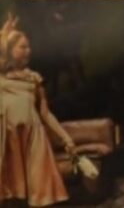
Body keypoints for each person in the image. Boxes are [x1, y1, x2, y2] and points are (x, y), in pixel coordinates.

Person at [0, 18, 76, 207]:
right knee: (11, 191)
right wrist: (4, 33)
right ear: (9, 50)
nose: (29, 51)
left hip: (33, 137)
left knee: (38, 188)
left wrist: (66, 138)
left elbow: (45, 113)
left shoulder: (33, 78)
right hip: (8, 138)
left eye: (29, 47)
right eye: (23, 47)